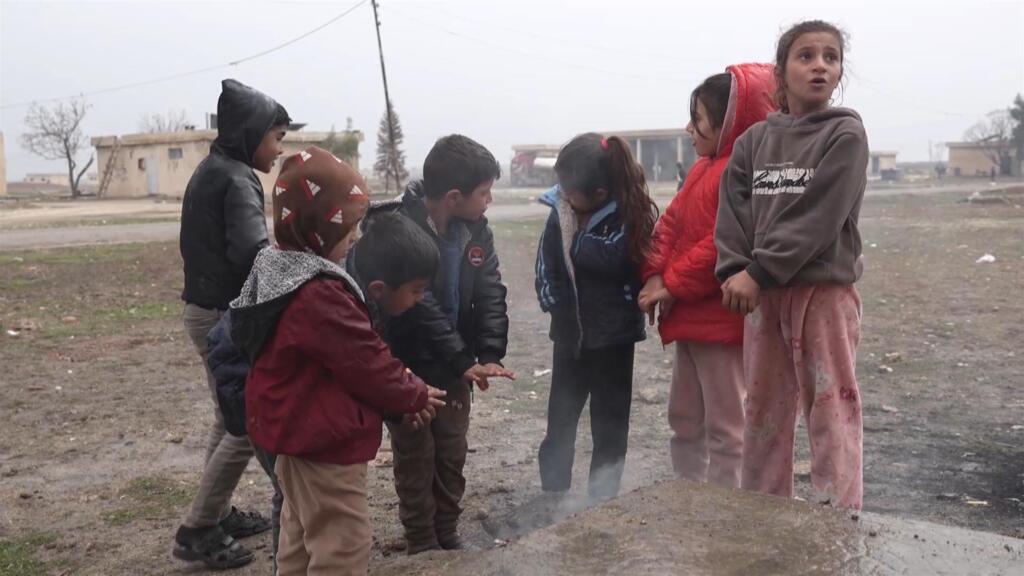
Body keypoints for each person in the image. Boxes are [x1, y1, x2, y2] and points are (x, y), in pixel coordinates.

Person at [234, 146, 446, 575]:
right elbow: (365, 361)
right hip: (323, 443)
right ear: (317, 230)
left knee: (299, 539)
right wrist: (414, 392)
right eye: (347, 227)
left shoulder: (278, 269)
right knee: (342, 544)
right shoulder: (319, 292)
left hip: (294, 434)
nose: (355, 237)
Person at [715, 20, 869, 510]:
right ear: (780, 72)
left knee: (830, 408)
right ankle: (763, 513)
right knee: (763, 411)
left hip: (822, 295)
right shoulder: (753, 142)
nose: (820, 65)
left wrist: (757, 270)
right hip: (762, 297)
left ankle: (836, 519)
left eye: (830, 57)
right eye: (806, 56)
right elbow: (732, 213)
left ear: (840, 72)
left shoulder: (845, 134)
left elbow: (818, 216)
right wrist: (734, 270)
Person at [360, 134, 513, 554]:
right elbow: (419, 306)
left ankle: (447, 533)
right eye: (484, 193)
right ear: (454, 197)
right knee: (415, 456)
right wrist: (463, 357)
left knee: (451, 453)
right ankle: (422, 542)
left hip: (457, 368)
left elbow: (490, 290)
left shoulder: (476, 230)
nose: (489, 201)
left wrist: (489, 354)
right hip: (407, 366)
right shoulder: (394, 228)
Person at [639, 64, 776, 488]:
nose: (689, 128)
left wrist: (670, 284)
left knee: (726, 425)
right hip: (688, 317)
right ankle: (688, 494)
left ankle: (722, 506)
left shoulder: (742, 171)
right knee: (684, 418)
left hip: (721, 320)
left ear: (729, 121)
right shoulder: (701, 169)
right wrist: (653, 273)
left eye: (697, 118)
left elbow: (722, 243)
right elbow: (670, 224)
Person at [174, 78, 288, 568]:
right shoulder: (238, 178)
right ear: (251, 134)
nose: (279, 149)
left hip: (204, 310)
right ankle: (198, 528)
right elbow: (253, 254)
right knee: (246, 422)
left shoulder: (214, 168)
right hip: (224, 317)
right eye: (276, 138)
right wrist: (297, 273)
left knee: (228, 417)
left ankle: (215, 512)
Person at [534, 133, 658, 501]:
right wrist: (555, 304)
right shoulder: (561, 213)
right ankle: (553, 493)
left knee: (610, 425)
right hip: (570, 337)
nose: (563, 194)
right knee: (561, 419)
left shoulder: (629, 214)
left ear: (600, 194)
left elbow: (615, 258)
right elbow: (547, 265)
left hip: (614, 340)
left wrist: (577, 240)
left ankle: (602, 496)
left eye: (569, 191)